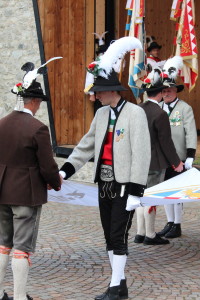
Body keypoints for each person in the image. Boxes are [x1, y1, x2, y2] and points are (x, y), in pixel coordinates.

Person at [60, 37, 151, 300]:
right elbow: (85, 147)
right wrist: (64, 171)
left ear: (112, 90)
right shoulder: (100, 115)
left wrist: (136, 191)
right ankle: (119, 285)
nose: (95, 95)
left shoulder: (135, 113)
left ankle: (114, 288)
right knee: (109, 237)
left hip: (125, 186)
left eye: (98, 91)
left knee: (118, 235)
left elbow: (142, 154)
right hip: (105, 183)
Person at [0, 63, 62, 300]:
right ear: (34, 102)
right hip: (26, 194)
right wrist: (55, 182)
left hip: (2, 192)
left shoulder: (1, 123)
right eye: (39, 104)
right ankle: (19, 296)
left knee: (3, 244)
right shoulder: (38, 128)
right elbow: (47, 165)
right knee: (22, 247)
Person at [134, 67, 184, 245]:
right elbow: (166, 142)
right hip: (154, 163)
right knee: (150, 197)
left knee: (139, 196)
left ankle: (140, 233)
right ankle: (150, 234)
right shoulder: (160, 114)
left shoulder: (138, 109)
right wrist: (176, 162)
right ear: (161, 93)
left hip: (138, 162)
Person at [157, 58, 197, 238]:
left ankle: (178, 224)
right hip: (162, 157)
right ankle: (169, 222)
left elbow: (191, 132)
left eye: (169, 90)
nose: (166, 93)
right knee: (165, 191)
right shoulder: (158, 107)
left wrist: (190, 155)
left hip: (179, 156)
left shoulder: (184, 108)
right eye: (164, 90)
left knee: (178, 192)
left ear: (175, 91)